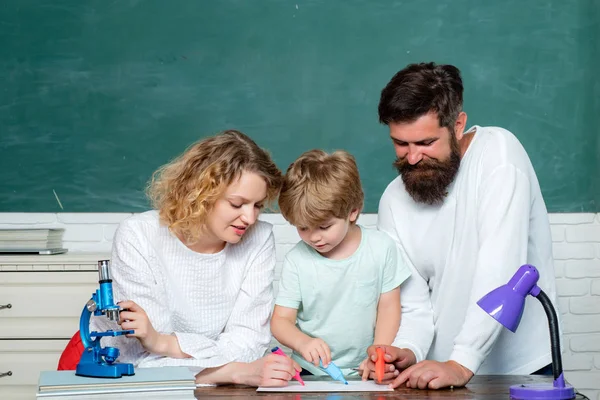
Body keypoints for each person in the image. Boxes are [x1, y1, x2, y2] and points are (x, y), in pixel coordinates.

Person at [363, 62, 558, 389]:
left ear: (457, 125)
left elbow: (501, 272)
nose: (412, 158)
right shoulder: (393, 201)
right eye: (401, 143)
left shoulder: (499, 156)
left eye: (425, 143)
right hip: (445, 375)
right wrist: (407, 351)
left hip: (522, 371)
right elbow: (413, 304)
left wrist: (462, 361)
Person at [91, 130, 300, 387]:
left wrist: (166, 343)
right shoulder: (138, 236)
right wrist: (228, 373)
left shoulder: (259, 238)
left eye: (257, 205)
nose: (250, 218)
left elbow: (250, 344)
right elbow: (140, 359)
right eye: (237, 204)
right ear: (201, 194)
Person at [270, 149, 411, 378]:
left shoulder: (381, 248)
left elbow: (388, 307)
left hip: (367, 366)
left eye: (324, 227)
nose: (314, 237)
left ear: (353, 211)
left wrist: (378, 354)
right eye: (303, 227)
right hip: (311, 368)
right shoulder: (297, 260)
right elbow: (281, 321)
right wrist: (303, 342)